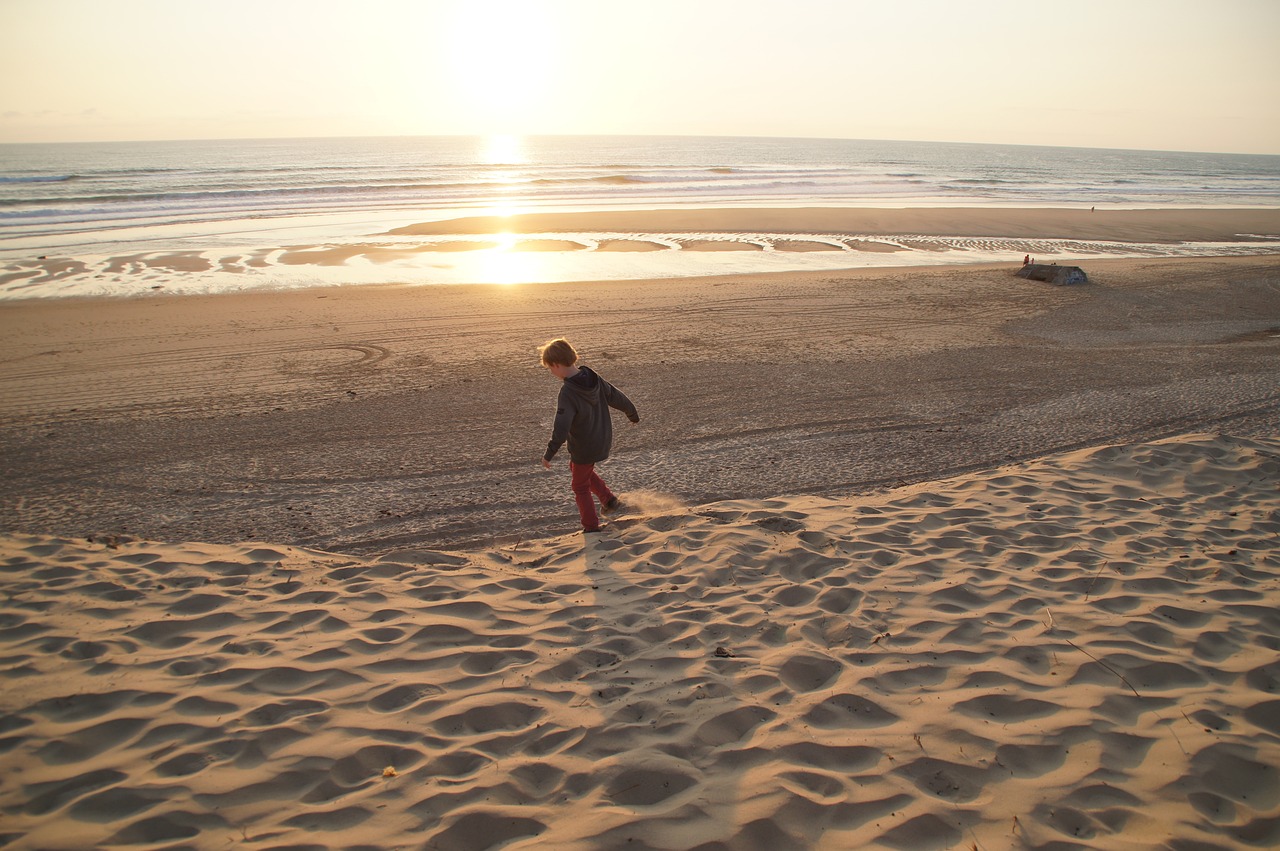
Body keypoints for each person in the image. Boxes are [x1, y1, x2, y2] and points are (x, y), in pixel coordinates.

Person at [538, 338, 640, 533]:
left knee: (579, 486)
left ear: (557, 365)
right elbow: (616, 396)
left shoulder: (568, 392)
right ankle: (608, 500)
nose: (551, 373)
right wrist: (632, 413)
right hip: (602, 439)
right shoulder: (593, 377)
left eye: (550, 368)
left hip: (585, 446)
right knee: (578, 469)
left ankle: (591, 527)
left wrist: (549, 453)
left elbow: (561, 426)